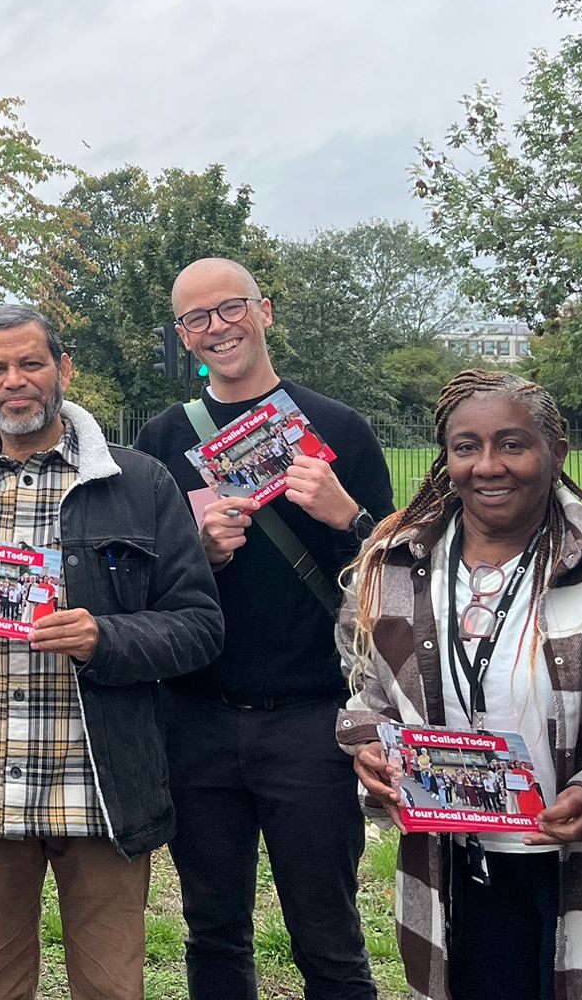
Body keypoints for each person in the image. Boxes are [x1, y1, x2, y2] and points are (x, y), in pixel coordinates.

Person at [0, 304, 223, 1000]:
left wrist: (107, 638)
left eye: (31, 363)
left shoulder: (137, 483)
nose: (16, 381)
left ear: (64, 369)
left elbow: (199, 625)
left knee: (110, 990)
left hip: (97, 796)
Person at [338, 370, 582, 1000]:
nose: (488, 466)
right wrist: (369, 744)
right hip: (456, 866)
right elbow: (367, 688)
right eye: (467, 447)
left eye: (513, 444)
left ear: (556, 453)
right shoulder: (397, 566)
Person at [132, 257, 394, 1000]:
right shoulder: (162, 439)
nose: (217, 328)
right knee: (212, 930)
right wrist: (200, 556)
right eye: (197, 318)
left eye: (230, 309)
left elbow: (397, 574)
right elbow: (141, 587)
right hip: (195, 718)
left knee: (329, 936)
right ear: (183, 335)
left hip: (310, 719)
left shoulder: (338, 427)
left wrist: (348, 516)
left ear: (265, 311)